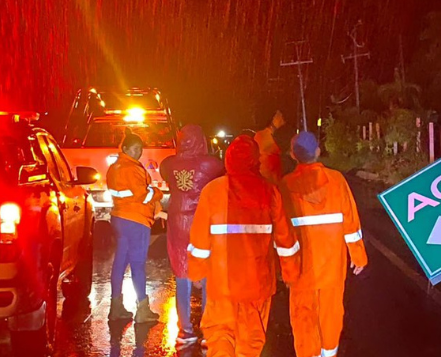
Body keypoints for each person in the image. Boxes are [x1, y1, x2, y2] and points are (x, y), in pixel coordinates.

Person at [188, 135, 300, 356]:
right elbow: (285, 240)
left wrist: (196, 272)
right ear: (255, 161)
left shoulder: (213, 191)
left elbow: (199, 239)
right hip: (257, 284)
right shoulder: (269, 192)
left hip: (222, 283)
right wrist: (291, 273)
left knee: (220, 336)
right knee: (250, 342)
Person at [279, 132, 368, 357]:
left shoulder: (285, 186)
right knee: (330, 316)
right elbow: (351, 222)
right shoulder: (337, 180)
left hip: (301, 269)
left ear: (292, 155)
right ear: (318, 152)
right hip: (332, 268)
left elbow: (281, 233)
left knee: (303, 318)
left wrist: (284, 269)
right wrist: (358, 256)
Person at [160, 124, 224, 346]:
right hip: (201, 222)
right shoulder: (210, 164)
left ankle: (185, 331)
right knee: (207, 276)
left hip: (178, 222)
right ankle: (208, 331)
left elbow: (164, 171)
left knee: (181, 274)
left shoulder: (169, 164)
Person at [107, 128, 164, 322]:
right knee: (138, 264)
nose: (138, 152)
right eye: (134, 149)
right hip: (136, 220)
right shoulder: (132, 169)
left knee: (120, 263)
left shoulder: (115, 167)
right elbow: (144, 195)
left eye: (140, 148)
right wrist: (157, 193)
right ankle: (143, 309)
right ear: (125, 148)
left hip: (119, 218)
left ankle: (115, 307)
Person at [254, 110, 286, 184]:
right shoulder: (260, 135)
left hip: (277, 178)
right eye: (279, 116)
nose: (282, 119)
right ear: (272, 119)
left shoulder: (283, 136)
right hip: (265, 179)